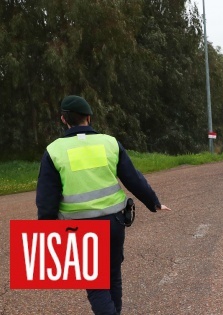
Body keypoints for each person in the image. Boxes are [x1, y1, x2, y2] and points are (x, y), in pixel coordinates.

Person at [36, 95, 172, 315]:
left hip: (79, 229)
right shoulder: (109, 142)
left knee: (96, 287)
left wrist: (46, 232)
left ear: (64, 119)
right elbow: (133, 179)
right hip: (114, 223)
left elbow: (46, 199)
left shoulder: (54, 151)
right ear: (89, 117)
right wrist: (153, 202)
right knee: (112, 276)